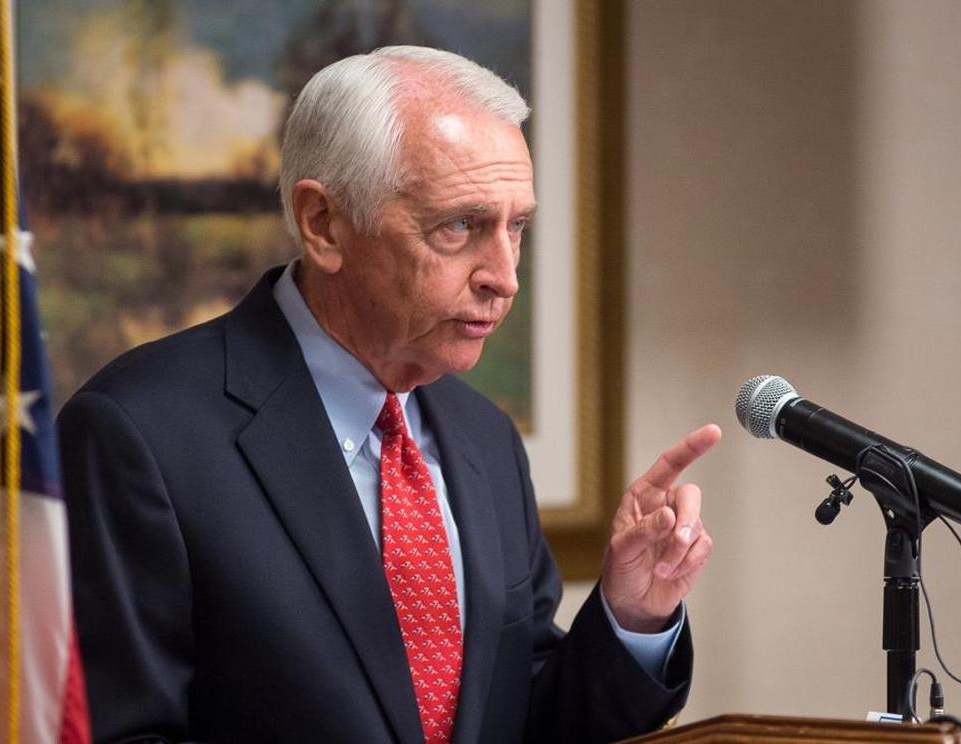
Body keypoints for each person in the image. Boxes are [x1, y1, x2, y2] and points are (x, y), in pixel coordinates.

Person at [58, 45, 721, 744]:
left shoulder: (485, 438)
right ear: (324, 225)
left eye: (516, 227)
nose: (504, 276)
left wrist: (632, 617)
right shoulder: (138, 434)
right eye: (459, 226)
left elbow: (522, 715)